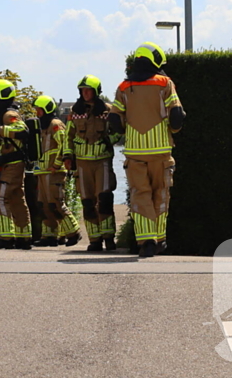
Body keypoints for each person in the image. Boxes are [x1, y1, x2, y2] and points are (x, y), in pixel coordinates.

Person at [108, 42, 186, 258]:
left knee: (140, 195)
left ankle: (147, 241)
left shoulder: (124, 86)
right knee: (160, 194)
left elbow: (114, 119)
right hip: (161, 153)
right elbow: (177, 115)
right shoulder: (165, 83)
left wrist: (128, 129)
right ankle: (160, 239)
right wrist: (172, 130)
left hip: (135, 154)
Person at [63, 75, 119, 252]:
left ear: (96, 92)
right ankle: (94, 240)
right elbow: (69, 136)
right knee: (87, 202)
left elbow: (118, 132)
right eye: (82, 90)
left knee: (104, 200)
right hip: (82, 164)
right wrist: (67, 156)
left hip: (102, 162)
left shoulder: (107, 110)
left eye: (88, 90)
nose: (85, 93)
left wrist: (108, 141)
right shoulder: (74, 111)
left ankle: (109, 238)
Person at [0, 80, 32, 250]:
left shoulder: (9, 114)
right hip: (5, 164)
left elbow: (23, 131)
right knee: (17, 199)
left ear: (3, 96)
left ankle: (6, 237)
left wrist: (1, 130)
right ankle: (24, 237)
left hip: (12, 164)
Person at [29, 95, 81, 247]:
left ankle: (74, 232)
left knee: (56, 204)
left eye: (39, 110)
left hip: (54, 173)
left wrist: (57, 165)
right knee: (43, 205)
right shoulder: (42, 126)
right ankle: (49, 236)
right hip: (43, 172)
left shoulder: (56, 124)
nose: (37, 113)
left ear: (47, 110)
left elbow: (64, 144)